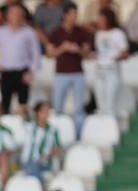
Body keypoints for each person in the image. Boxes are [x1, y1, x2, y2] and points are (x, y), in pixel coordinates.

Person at [0, 4, 40, 117]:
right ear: (8, 16)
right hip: (6, 72)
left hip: (23, 72)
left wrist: (31, 71)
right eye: (14, 14)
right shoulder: (0, 32)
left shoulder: (29, 32)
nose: (16, 17)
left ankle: (23, 128)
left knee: (23, 105)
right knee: (5, 104)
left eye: (19, 14)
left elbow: (36, 53)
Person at [45, 4, 89, 133]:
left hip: (77, 73)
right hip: (61, 73)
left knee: (79, 107)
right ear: (65, 15)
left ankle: (79, 133)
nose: (75, 16)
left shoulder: (81, 32)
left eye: (76, 13)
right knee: (58, 106)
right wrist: (62, 48)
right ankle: (58, 132)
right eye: (72, 13)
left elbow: (87, 54)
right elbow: (49, 53)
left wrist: (77, 49)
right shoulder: (56, 32)